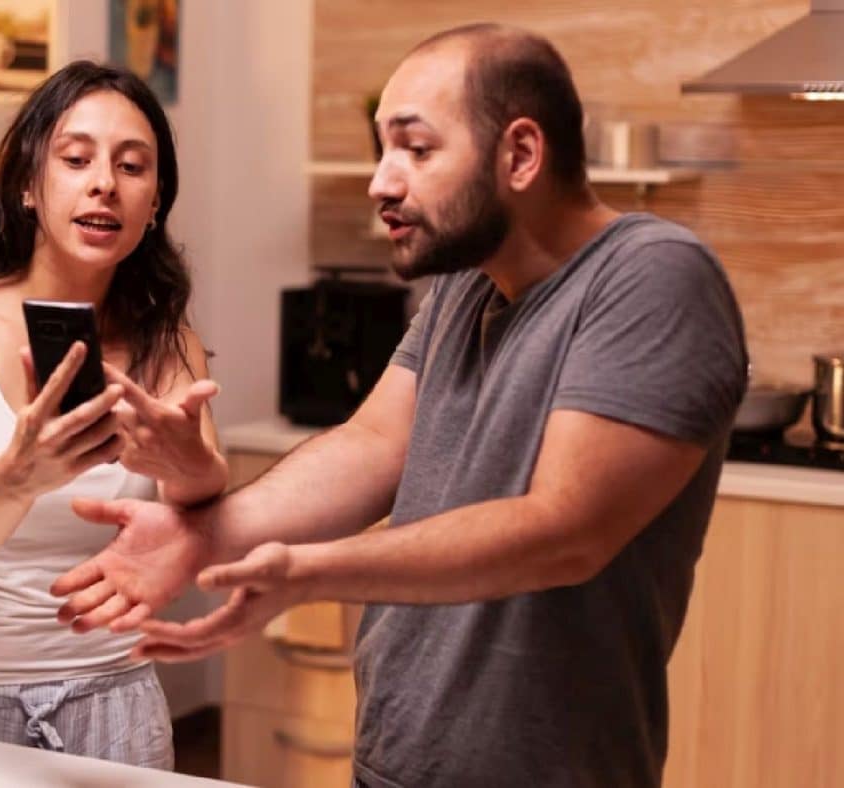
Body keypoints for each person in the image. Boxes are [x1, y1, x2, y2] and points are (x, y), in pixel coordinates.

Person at [51, 24, 748, 788]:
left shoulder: (653, 277)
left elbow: (563, 531)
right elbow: (370, 448)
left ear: (520, 154)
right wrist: (199, 532)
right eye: (383, 148)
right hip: (396, 760)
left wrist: (311, 574)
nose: (381, 180)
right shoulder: (466, 284)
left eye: (416, 150)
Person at [0, 60, 227, 770]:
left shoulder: (168, 343)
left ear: (154, 202)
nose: (105, 183)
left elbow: (195, 523)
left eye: (133, 166)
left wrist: (192, 467)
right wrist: (22, 473)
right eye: (76, 159)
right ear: (28, 186)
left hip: (113, 694)